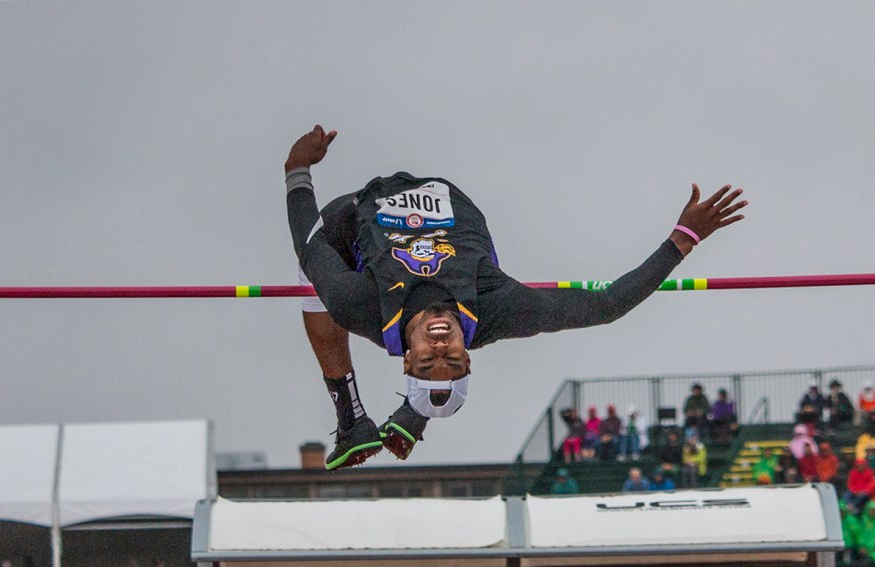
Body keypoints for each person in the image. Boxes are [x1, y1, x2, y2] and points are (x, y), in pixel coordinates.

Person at [284, 125, 748, 469]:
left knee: (312, 273)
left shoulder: (361, 307)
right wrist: (684, 238)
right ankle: (418, 408)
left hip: (360, 211)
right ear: (470, 356)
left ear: (407, 361)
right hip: (447, 206)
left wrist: (296, 168)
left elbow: (308, 241)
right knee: (431, 374)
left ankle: (353, 418)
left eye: (428, 360)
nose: (441, 347)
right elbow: (606, 306)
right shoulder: (498, 310)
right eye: (453, 360)